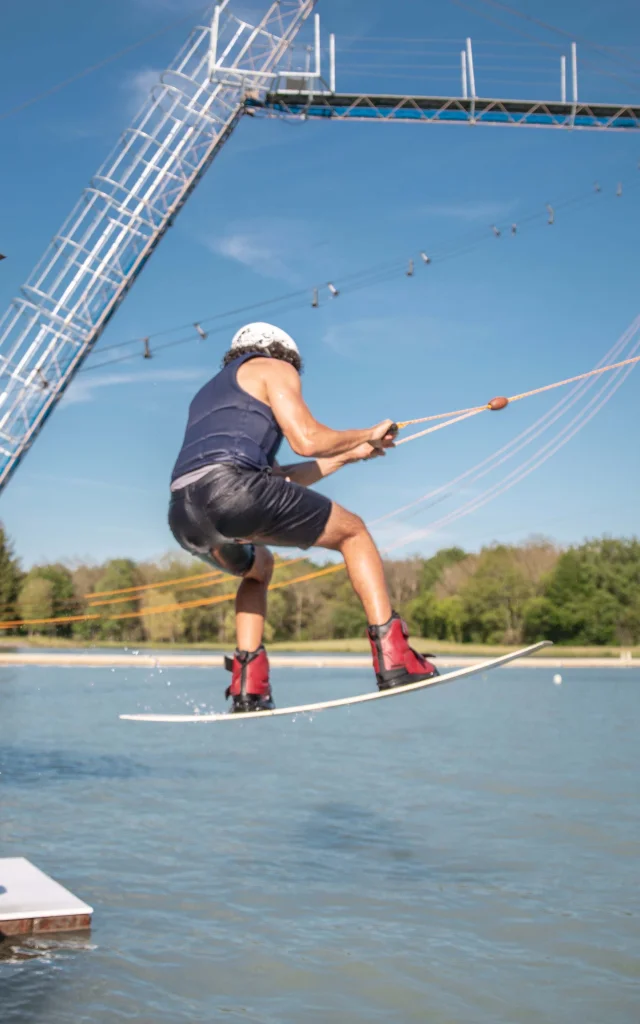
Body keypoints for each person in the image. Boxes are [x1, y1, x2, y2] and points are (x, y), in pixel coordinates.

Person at [169, 322, 438, 713]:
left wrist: (349, 454)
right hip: (233, 491)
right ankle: (395, 659)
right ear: (283, 353)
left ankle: (248, 686)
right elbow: (307, 440)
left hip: (184, 514)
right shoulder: (273, 366)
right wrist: (367, 433)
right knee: (354, 532)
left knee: (259, 568)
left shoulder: (212, 395)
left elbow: (281, 479)